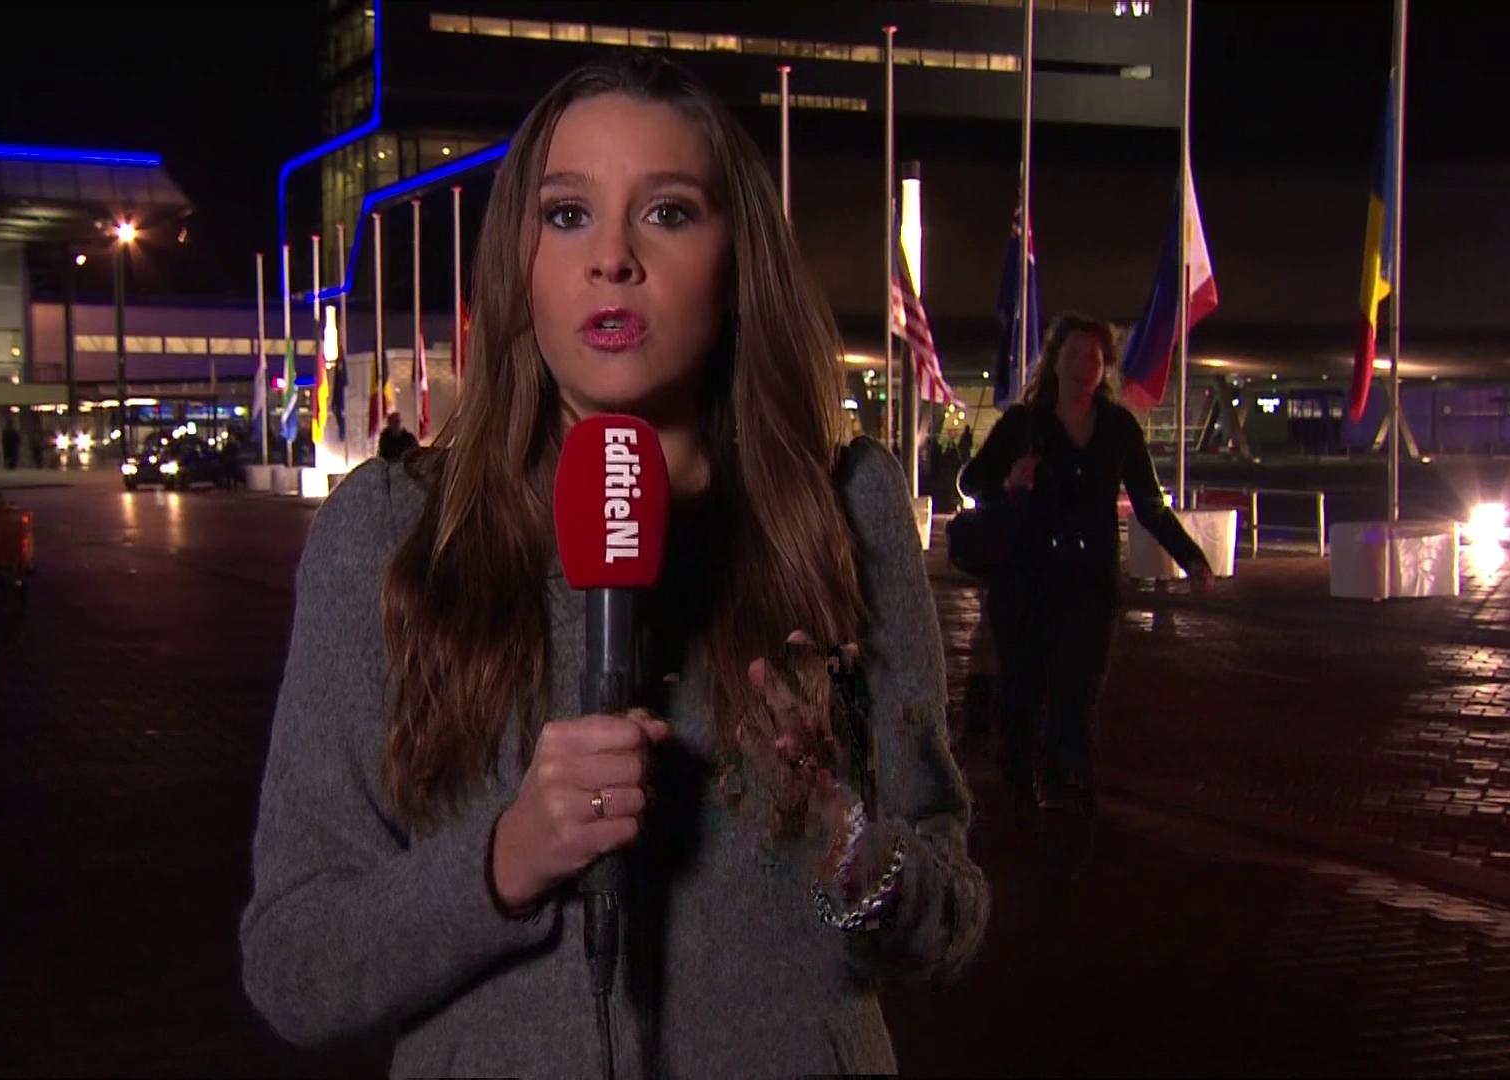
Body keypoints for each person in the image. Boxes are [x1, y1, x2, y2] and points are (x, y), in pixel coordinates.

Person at [241, 55, 986, 1077]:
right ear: (519, 268)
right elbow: (294, 966)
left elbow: (948, 923)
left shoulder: (844, 508)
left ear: (736, 265)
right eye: (567, 215)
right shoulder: (388, 532)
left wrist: (847, 846)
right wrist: (504, 862)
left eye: (668, 213)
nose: (614, 259)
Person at [959, 313, 1213, 808]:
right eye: (1072, 354)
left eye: (1093, 357)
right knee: (1024, 684)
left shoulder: (1118, 429)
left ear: (1105, 368)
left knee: (1078, 684)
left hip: (1089, 582)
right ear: (1054, 361)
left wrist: (1192, 558)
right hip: (1025, 581)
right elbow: (972, 481)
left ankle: (1065, 778)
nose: (1082, 366)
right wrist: (1009, 482)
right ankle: (1017, 779)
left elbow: (1150, 504)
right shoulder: (1023, 424)